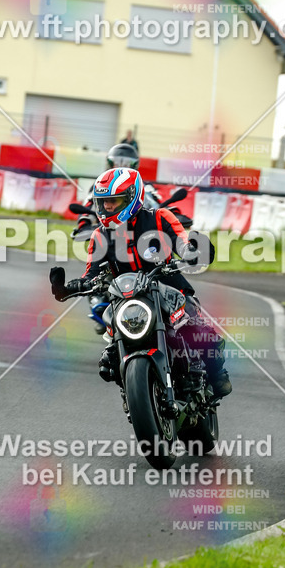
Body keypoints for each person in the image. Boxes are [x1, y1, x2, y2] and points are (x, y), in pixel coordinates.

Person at [50, 167, 232, 397]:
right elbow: (91, 274)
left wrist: (196, 251)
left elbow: (183, 244)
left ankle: (217, 373)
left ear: (131, 198)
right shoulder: (99, 236)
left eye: (113, 201)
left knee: (199, 332)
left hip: (168, 287)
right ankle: (133, 387)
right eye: (103, 202)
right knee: (108, 360)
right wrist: (68, 288)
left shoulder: (160, 218)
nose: (107, 207)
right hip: (125, 297)